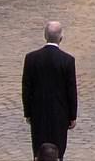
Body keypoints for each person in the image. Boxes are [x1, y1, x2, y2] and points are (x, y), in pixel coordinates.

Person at [22, 21, 77, 159]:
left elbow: (26, 88)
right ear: (61, 37)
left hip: (38, 113)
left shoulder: (31, 58)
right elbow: (71, 90)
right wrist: (72, 116)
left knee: (39, 151)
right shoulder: (67, 60)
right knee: (58, 151)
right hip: (60, 114)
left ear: (45, 35)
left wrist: (28, 112)